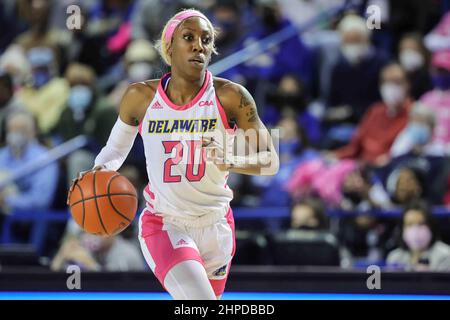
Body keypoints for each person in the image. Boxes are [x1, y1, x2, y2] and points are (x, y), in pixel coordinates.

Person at [69, 9, 279, 300]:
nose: (198, 46)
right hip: (165, 223)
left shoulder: (232, 96)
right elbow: (114, 151)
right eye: (189, 37)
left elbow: (270, 160)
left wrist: (231, 160)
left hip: (217, 224)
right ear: (169, 47)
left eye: (206, 40)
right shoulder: (140, 97)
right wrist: (97, 171)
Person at [333, 63, 413, 166]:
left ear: (408, 84)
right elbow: (355, 145)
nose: (391, 88)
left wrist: (387, 160)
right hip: (360, 165)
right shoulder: (375, 110)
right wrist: (337, 155)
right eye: (386, 83)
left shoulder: (414, 114)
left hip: (385, 168)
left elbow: (404, 151)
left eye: (397, 82)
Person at [386, 201, 450, 271]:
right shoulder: (395, 258)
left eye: (421, 223)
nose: (415, 230)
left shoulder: (446, 256)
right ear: (402, 229)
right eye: (410, 224)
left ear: (431, 226)